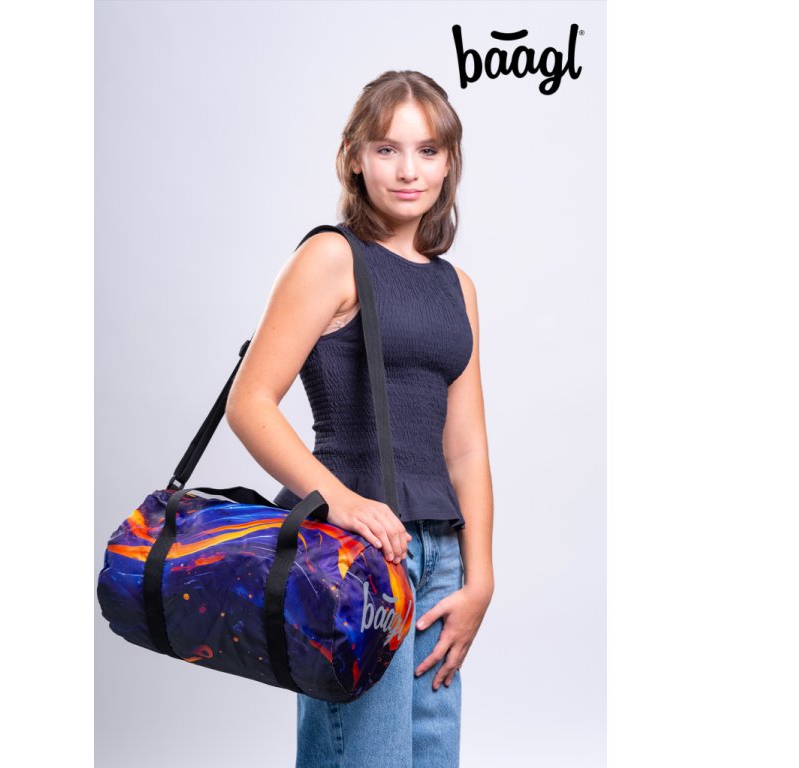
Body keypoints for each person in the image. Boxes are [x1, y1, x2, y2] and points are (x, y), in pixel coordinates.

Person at [225, 70, 494, 768]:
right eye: (387, 149)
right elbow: (249, 402)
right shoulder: (331, 257)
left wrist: (480, 577)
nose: (408, 170)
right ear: (353, 157)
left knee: (431, 758)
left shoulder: (456, 287)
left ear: (449, 163)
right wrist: (340, 501)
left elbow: (466, 448)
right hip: (351, 551)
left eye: (428, 151)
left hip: (439, 555)